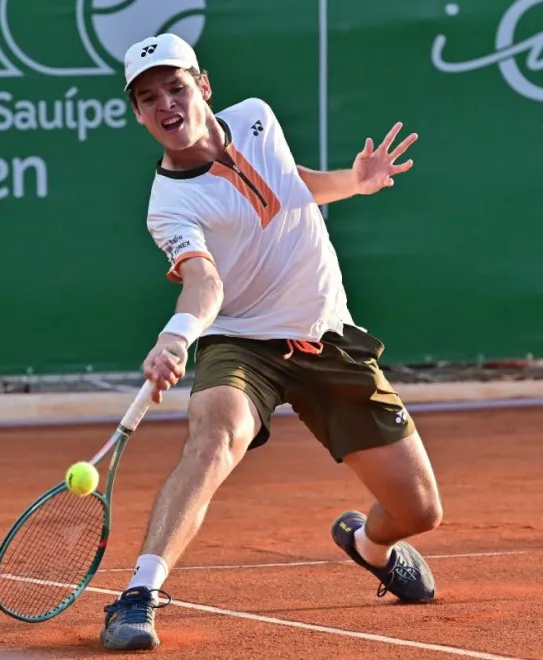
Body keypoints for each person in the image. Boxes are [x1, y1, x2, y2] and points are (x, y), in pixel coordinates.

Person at [99, 33, 444, 652]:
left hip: (325, 336)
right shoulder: (168, 205)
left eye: (176, 88)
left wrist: (355, 182)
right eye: (149, 98)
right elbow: (204, 283)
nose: (166, 104)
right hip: (241, 342)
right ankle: (139, 594)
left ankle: (369, 546)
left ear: (203, 86)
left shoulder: (257, 117)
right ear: (139, 114)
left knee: (419, 512)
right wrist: (177, 337)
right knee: (214, 438)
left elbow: (291, 185)